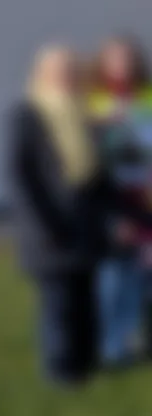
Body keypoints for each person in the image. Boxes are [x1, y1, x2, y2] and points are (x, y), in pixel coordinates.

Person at [11, 45, 109, 382]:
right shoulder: (28, 116)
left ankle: (85, 362)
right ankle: (62, 370)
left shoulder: (88, 115)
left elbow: (101, 175)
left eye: (72, 72)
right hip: (48, 231)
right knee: (59, 304)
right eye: (59, 73)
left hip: (87, 227)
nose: (67, 78)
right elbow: (24, 177)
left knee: (86, 298)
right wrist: (50, 225)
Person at [88, 35, 152, 366]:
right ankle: (109, 344)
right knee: (112, 272)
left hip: (145, 199)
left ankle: (127, 339)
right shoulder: (95, 103)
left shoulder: (147, 99)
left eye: (127, 59)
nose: (122, 66)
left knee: (141, 273)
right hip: (111, 201)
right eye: (115, 60)